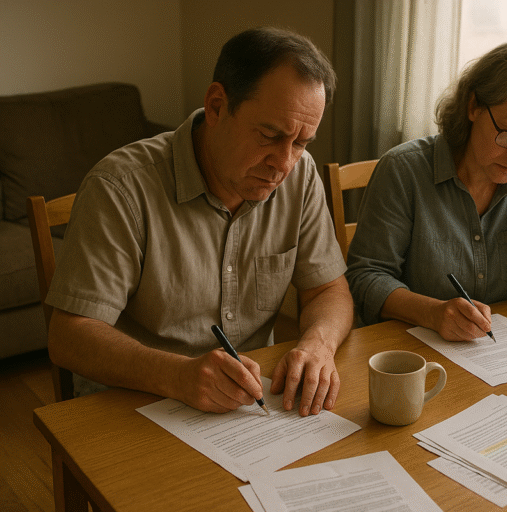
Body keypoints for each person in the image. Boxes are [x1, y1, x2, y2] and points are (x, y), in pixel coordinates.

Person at [46, 27, 354, 416]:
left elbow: (329, 290)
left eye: (301, 142)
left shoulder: (301, 176)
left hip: (247, 408)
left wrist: (317, 344)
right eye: (269, 135)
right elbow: (69, 336)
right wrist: (178, 376)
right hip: (132, 403)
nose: (284, 163)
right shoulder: (120, 188)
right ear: (216, 106)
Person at [345, 41, 507, 341]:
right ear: (473, 106)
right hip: (406, 352)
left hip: (490, 354)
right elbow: (364, 279)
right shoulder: (403, 170)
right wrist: (433, 313)